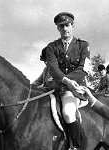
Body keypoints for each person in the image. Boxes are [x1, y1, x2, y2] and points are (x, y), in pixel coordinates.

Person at [45, 12, 90, 150]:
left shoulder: (83, 45)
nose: (65, 28)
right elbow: (52, 68)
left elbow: (83, 69)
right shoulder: (51, 47)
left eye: (67, 25)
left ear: (73, 26)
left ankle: (77, 146)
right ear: (58, 28)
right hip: (56, 86)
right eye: (61, 26)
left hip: (75, 88)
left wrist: (69, 82)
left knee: (68, 112)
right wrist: (65, 81)